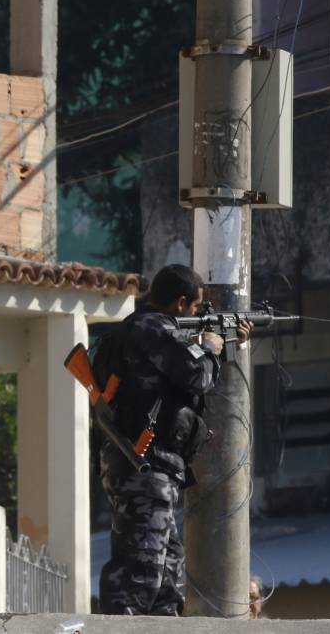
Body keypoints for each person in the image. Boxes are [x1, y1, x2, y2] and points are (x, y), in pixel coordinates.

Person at [97, 264, 251, 616]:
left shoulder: (145, 331)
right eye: (196, 308)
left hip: (145, 462)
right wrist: (212, 347)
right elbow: (196, 376)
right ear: (181, 303)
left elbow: (175, 368)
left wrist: (223, 343)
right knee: (141, 571)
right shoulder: (153, 328)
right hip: (143, 463)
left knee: (167, 571)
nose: (197, 314)